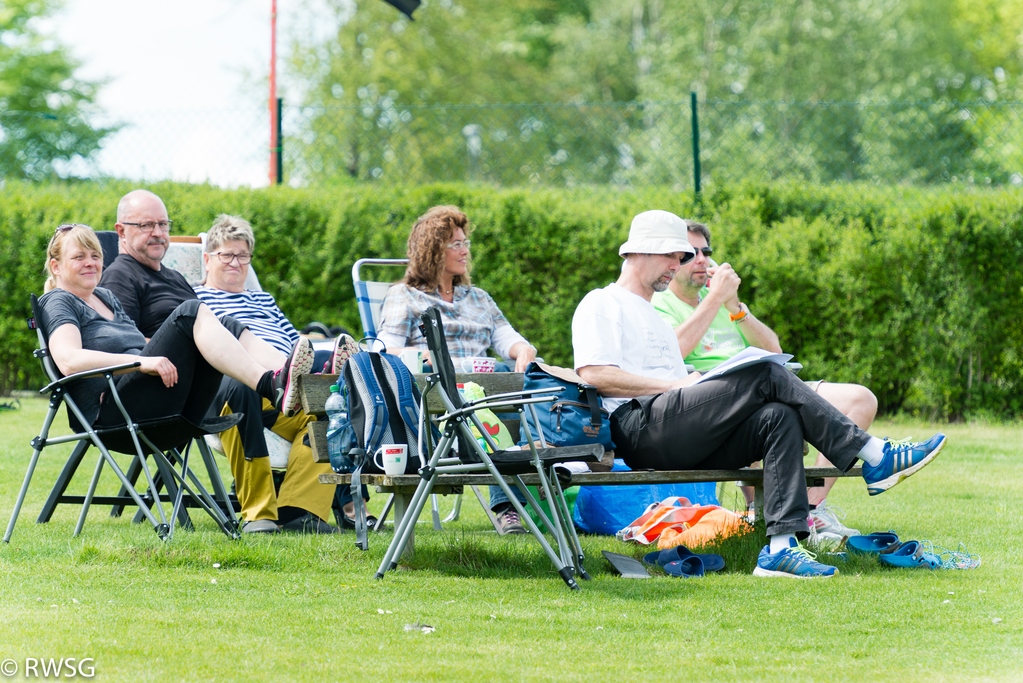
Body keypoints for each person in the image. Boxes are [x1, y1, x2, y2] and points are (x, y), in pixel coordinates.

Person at [571, 209, 947, 578]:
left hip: (677, 429)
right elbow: (594, 373)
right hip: (638, 428)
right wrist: (676, 385)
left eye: (683, 255)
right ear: (641, 251)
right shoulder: (602, 302)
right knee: (767, 370)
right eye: (674, 254)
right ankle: (875, 454)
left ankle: (780, 550)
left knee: (777, 418)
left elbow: (676, 382)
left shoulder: (654, 316)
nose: (680, 263)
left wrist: (696, 382)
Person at [100, 189, 333, 535]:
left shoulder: (176, 279)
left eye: (163, 224)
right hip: (173, 389)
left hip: (214, 379)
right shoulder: (121, 275)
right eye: (146, 224)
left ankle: (300, 510)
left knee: (320, 405)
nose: (158, 233)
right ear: (121, 231)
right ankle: (259, 512)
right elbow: (126, 342)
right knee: (237, 380)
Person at [651, 220, 877, 541]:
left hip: (769, 383)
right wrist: (715, 298)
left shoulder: (722, 300)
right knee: (762, 410)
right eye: (690, 254)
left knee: (861, 399)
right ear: (672, 263)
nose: (701, 260)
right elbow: (674, 353)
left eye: (706, 252)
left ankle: (813, 509)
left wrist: (735, 306)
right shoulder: (660, 305)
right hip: (714, 401)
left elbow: (774, 350)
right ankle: (763, 515)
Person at [38, 223, 310, 460]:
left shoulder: (106, 298)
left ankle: (288, 378)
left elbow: (140, 342)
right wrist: (139, 361)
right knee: (191, 311)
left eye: (95, 256)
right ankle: (269, 385)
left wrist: (181, 346)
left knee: (224, 324)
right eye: (78, 257)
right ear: (56, 266)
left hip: (154, 399)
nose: (90, 263)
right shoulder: (58, 301)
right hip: (115, 413)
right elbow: (68, 360)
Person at [193, 214, 370, 530]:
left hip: (285, 389)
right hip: (233, 386)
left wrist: (307, 358)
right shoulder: (196, 300)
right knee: (242, 389)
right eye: (227, 255)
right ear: (207, 259)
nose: (236, 263)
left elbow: (293, 341)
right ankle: (258, 513)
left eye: (243, 256)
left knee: (330, 410)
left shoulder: (263, 299)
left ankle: (298, 512)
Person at [376, 205, 537, 534]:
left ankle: (525, 496)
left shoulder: (478, 298)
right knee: (492, 407)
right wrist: (424, 355)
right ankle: (507, 506)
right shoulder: (404, 297)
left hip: (486, 391)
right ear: (433, 250)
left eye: (466, 243)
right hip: (439, 401)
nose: (465, 251)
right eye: (456, 244)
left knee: (528, 380)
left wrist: (524, 351)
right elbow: (382, 349)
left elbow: (510, 340)